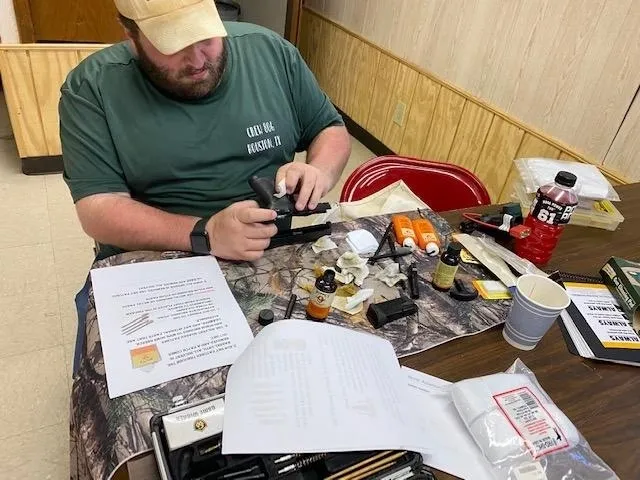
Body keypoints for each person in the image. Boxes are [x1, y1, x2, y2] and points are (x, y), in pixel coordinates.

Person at [59, 0, 351, 263]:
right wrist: (205, 232)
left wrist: (320, 171)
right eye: (173, 46)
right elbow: (98, 209)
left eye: (205, 38)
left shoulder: (270, 51)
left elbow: (329, 129)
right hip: (165, 253)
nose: (198, 61)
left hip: (273, 245)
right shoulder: (93, 87)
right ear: (131, 36)